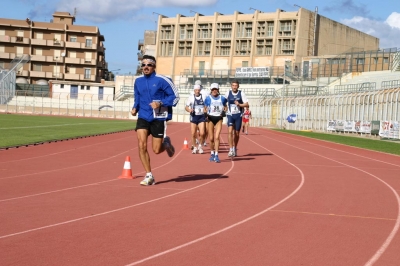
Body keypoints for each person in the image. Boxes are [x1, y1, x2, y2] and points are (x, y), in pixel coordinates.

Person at [131, 55, 180, 186]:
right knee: (141, 144)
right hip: (143, 116)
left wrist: (161, 103)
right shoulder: (138, 81)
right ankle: (149, 175)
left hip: (158, 117)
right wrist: (135, 108)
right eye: (143, 65)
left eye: (149, 65)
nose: (146, 67)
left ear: (154, 67)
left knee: (156, 150)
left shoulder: (163, 80)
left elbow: (175, 97)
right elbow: (137, 97)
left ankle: (167, 144)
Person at [224, 80, 249, 157]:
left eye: (236, 85)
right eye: (233, 85)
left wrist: (240, 104)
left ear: (238, 86)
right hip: (230, 115)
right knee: (230, 131)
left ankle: (235, 147)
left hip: (238, 115)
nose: (234, 87)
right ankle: (231, 149)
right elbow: (223, 101)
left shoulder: (241, 93)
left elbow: (247, 104)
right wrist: (225, 107)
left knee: (237, 133)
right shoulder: (228, 93)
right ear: (231, 86)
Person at [204, 83, 227, 163]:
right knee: (211, 138)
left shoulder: (222, 98)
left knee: (217, 137)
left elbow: (225, 106)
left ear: (218, 90)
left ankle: (216, 154)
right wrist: (205, 113)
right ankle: (212, 153)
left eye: (215, 89)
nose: (214, 91)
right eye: (213, 89)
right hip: (210, 118)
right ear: (211, 90)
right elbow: (205, 108)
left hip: (219, 119)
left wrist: (224, 111)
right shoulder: (208, 98)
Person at [185, 84, 207, 154]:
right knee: (193, 133)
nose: (197, 91)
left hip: (201, 117)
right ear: (194, 90)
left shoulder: (203, 97)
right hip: (194, 117)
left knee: (202, 133)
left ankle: (200, 146)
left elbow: (207, 105)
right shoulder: (191, 98)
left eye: (198, 90)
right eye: (196, 90)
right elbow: (186, 107)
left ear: (200, 90)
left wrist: (206, 109)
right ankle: (194, 147)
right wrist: (189, 110)